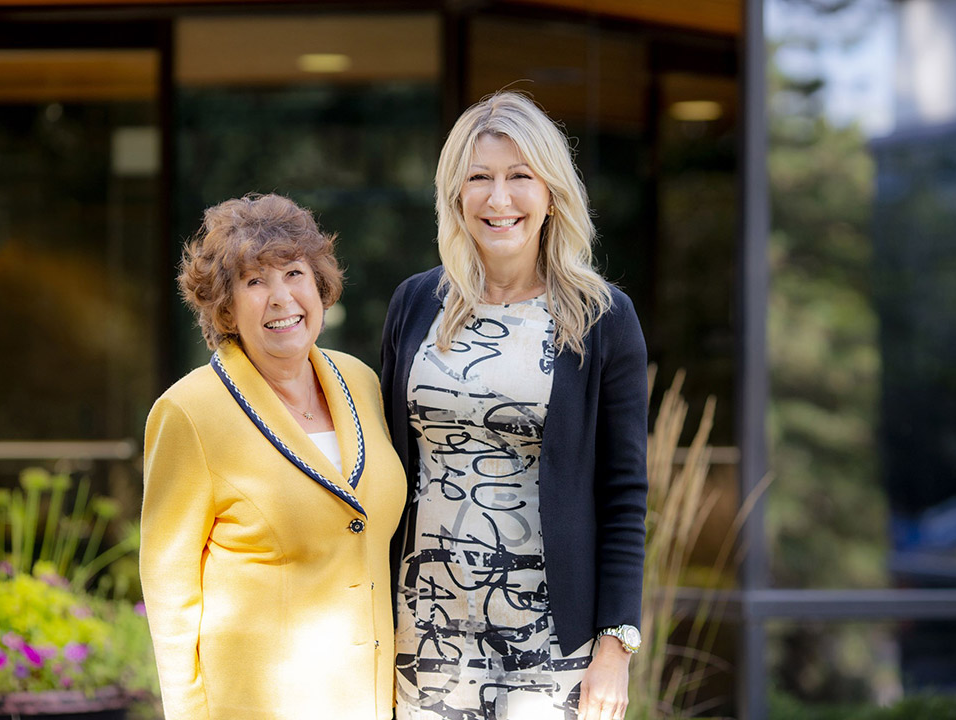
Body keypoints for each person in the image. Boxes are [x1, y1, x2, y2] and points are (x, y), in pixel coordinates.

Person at [381, 92, 649, 720]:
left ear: (551, 192)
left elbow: (624, 491)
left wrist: (615, 647)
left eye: (519, 177)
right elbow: (389, 464)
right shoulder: (416, 304)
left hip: (552, 638)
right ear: (456, 195)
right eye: (480, 178)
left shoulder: (601, 317)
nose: (499, 200)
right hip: (424, 624)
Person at [140, 193, 406, 720]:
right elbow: (170, 592)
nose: (281, 298)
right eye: (255, 282)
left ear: (321, 285)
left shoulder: (361, 381)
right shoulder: (189, 412)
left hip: (372, 700)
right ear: (225, 306)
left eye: (294, 273)